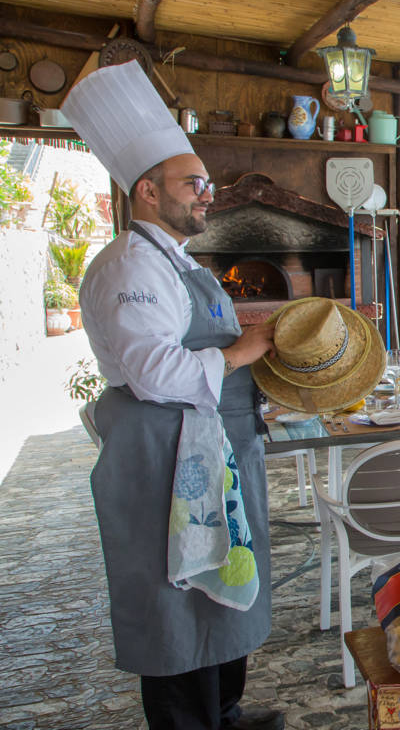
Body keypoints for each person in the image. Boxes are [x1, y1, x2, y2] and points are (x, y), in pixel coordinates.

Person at [65, 62, 283, 730]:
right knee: (176, 594)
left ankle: (224, 711)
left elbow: (195, 340)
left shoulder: (176, 261)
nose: (207, 195)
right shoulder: (129, 264)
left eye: (207, 184)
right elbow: (154, 370)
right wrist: (244, 350)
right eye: (194, 183)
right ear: (147, 191)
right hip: (165, 455)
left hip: (207, 448)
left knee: (223, 578)